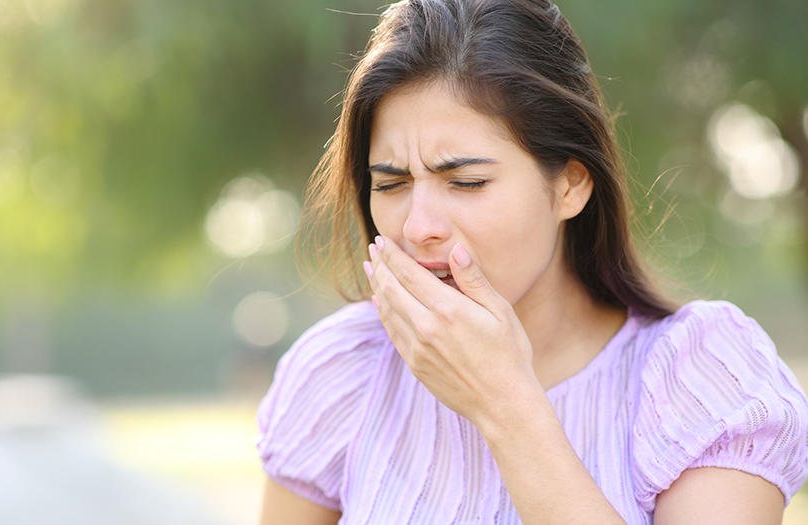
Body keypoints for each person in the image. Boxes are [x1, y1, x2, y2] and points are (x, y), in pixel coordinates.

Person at [256, 0, 808, 523]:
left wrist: (505, 402)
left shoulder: (705, 380)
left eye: (466, 182)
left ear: (569, 185)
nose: (418, 226)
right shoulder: (345, 371)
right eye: (391, 183)